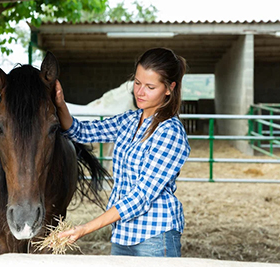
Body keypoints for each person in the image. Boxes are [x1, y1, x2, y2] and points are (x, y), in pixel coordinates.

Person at [54, 47, 191, 257]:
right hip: (123, 233)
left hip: (155, 237)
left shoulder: (170, 132)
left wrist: (85, 228)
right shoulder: (129, 120)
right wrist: (60, 103)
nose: (140, 92)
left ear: (169, 88)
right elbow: (80, 132)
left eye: (150, 86)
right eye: (137, 83)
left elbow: (141, 196)